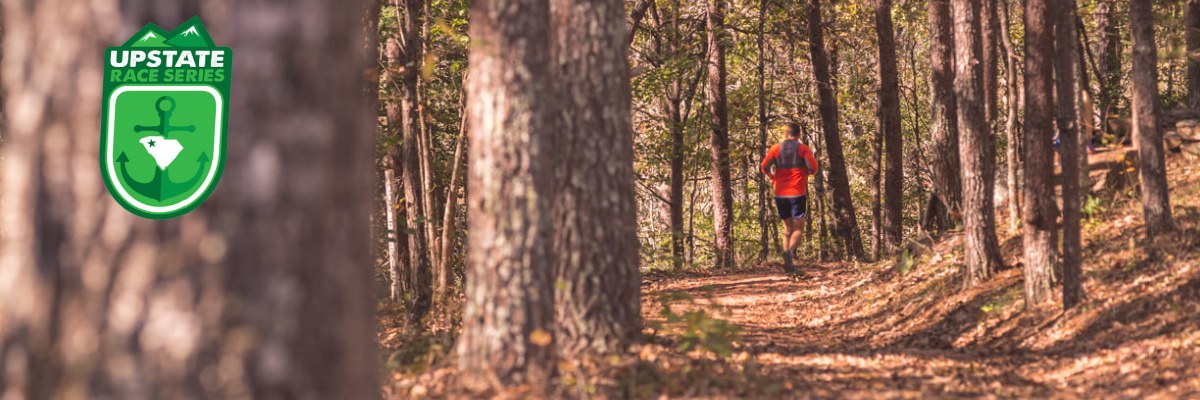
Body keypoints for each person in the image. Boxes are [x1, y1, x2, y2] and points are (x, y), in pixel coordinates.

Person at [760, 122, 819, 274]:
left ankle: (788, 265)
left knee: (787, 228)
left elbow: (764, 167)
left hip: (780, 193)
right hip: (796, 192)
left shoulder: (775, 148)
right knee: (798, 228)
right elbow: (814, 168)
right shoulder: (802, 148)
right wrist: (806, 172)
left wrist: (772, 177)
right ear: (798, 135)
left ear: (785, 134)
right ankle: (789, 253)